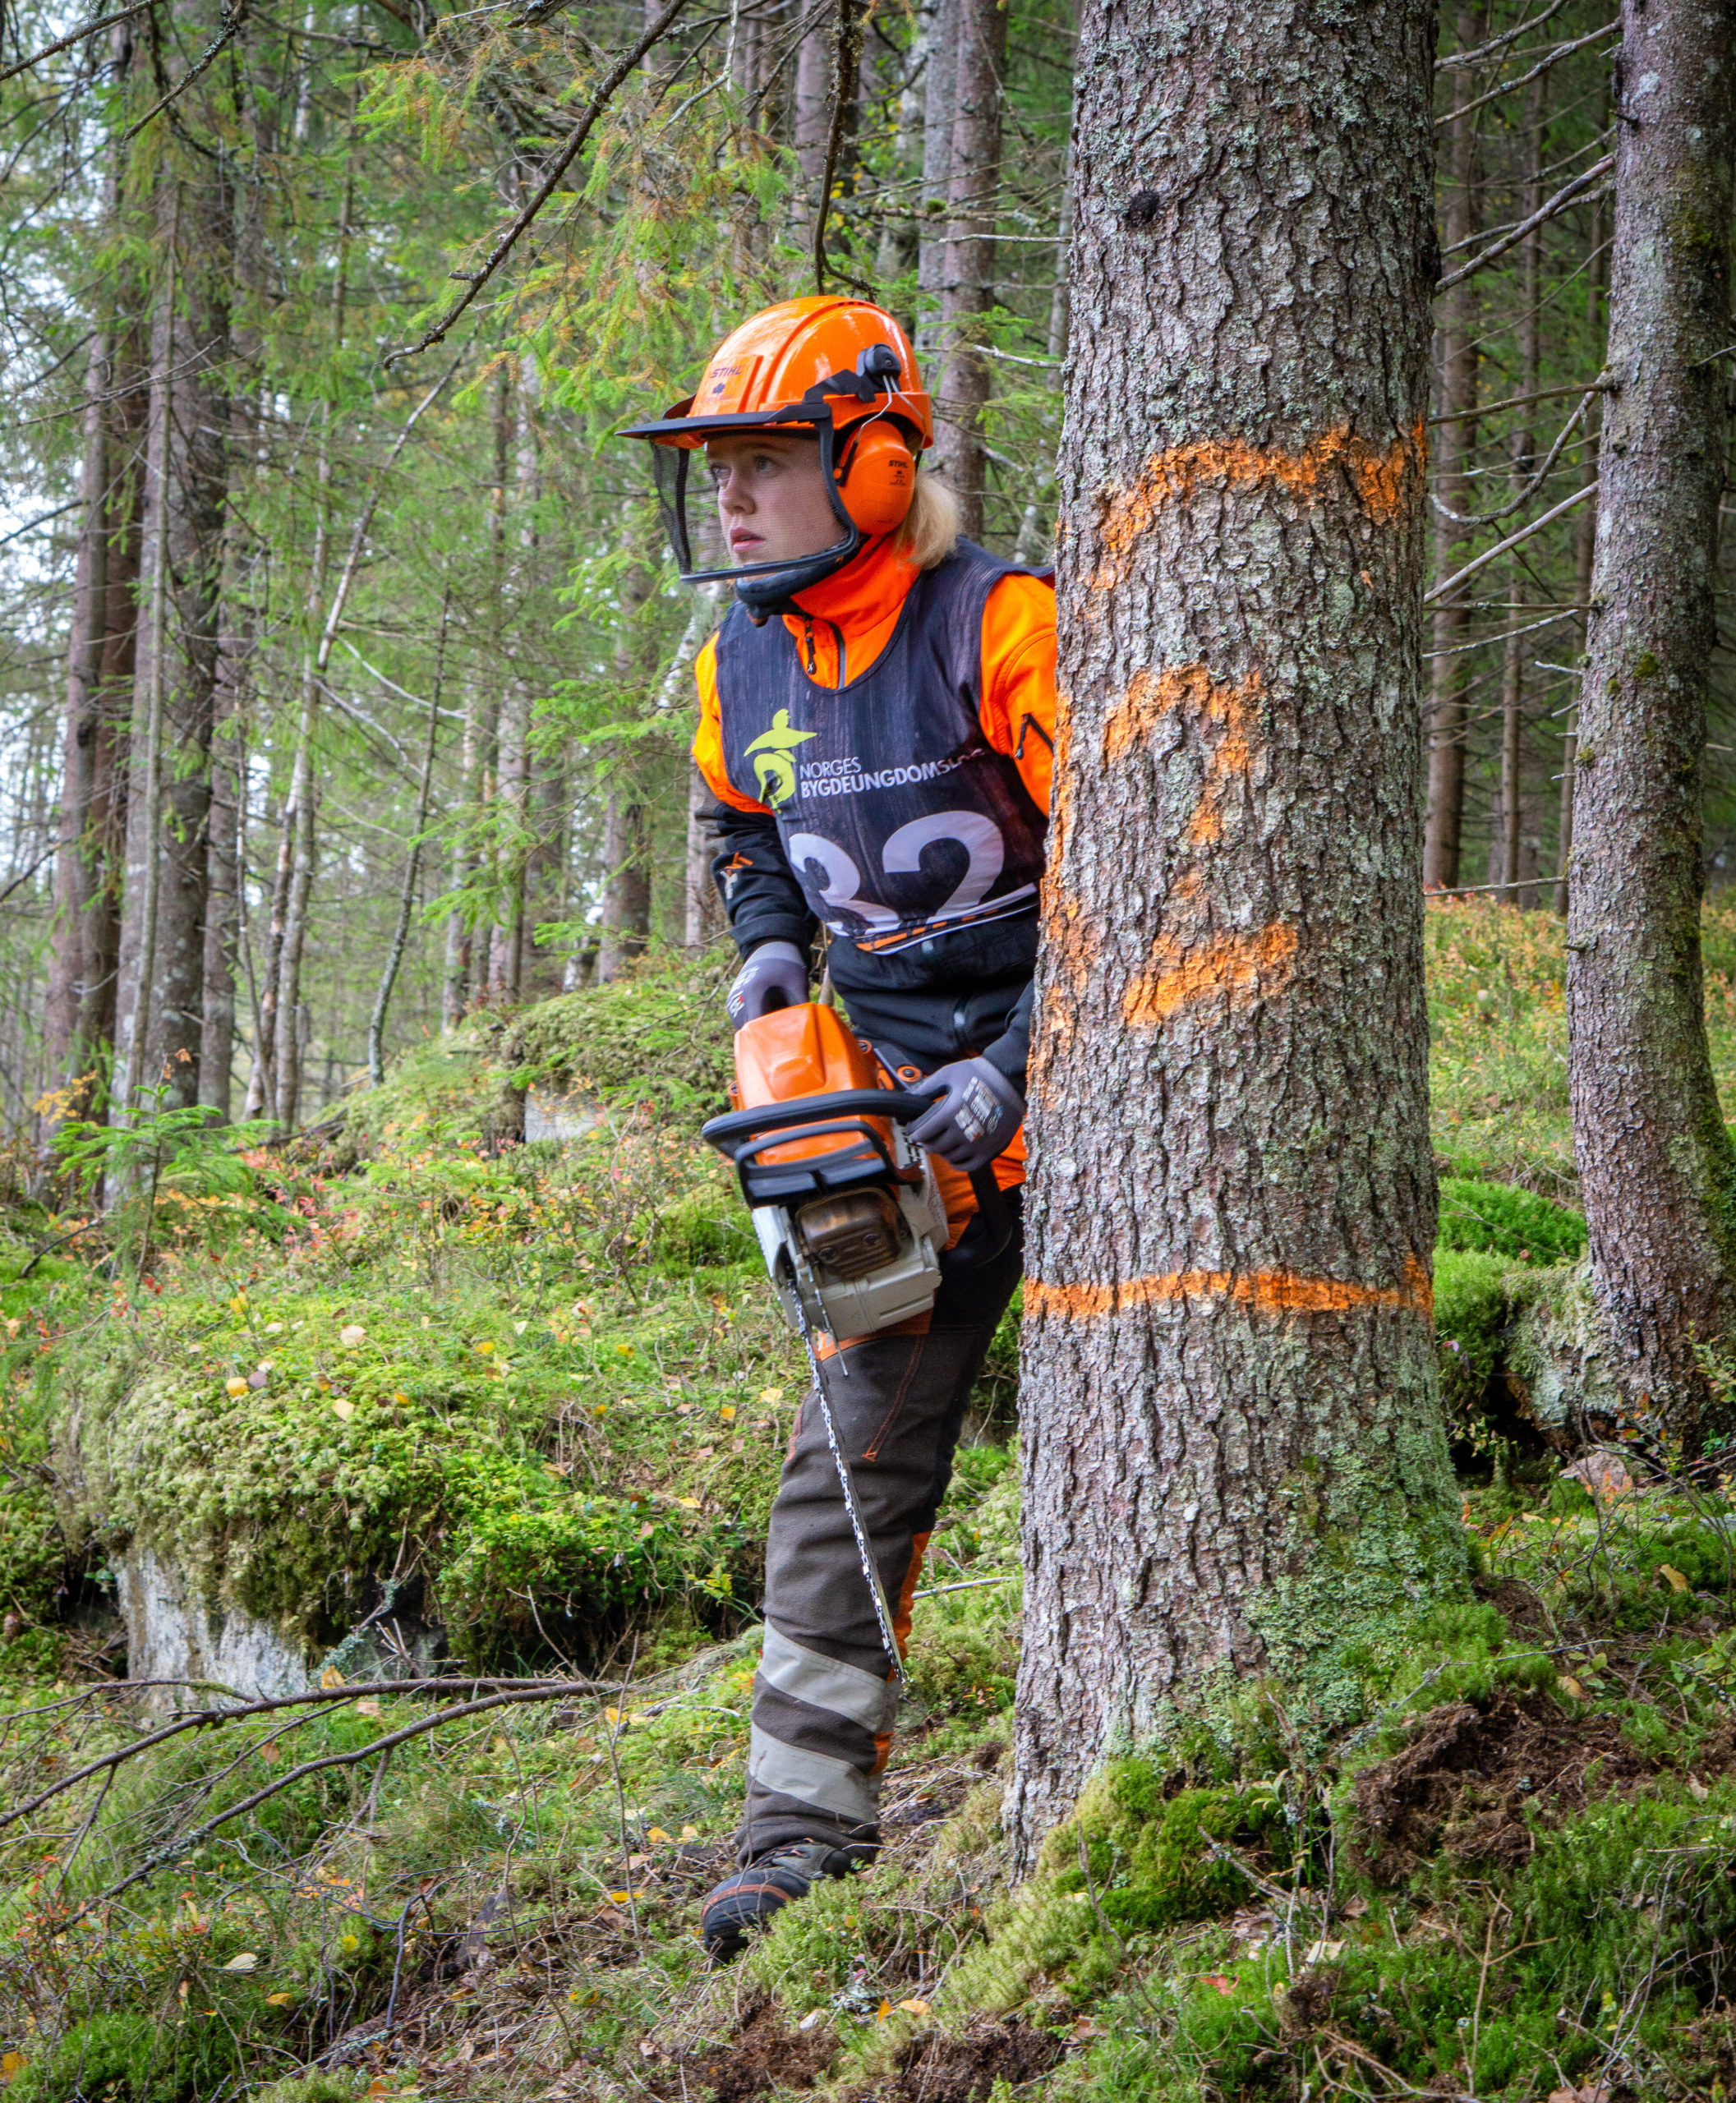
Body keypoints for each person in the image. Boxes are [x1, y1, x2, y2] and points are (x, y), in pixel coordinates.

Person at [622, 295, 1055, 1959]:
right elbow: (740, 818)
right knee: (845, 1458)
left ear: (873, 466)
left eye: (761, 462)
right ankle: (798, 1832)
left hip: (1073, 1077)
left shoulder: (992, 624)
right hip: (889, 1111)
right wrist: (767, 951)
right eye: (711, 467)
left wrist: (1023, 1058)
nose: (727, 499)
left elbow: (1133, 866)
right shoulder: (742, 651)